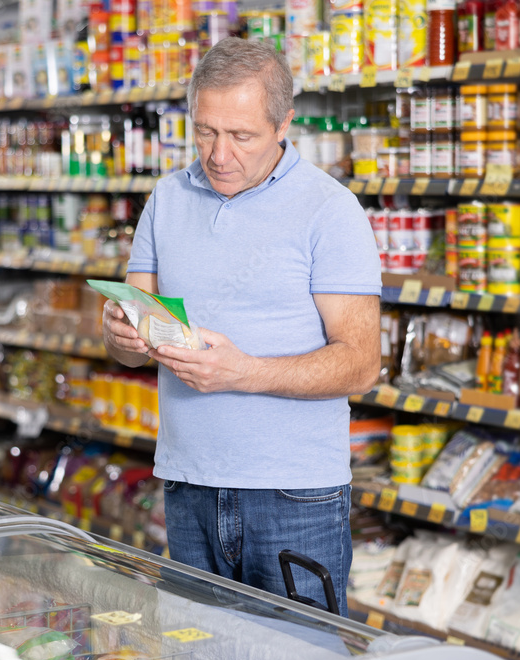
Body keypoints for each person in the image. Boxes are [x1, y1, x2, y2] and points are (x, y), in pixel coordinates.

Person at [102, 38, 381, 616]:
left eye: (241, 136)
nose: (219, 154)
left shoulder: (330, 211)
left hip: (294, 494)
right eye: (205, 131)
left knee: (299, 658)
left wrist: (244, 372)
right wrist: (122, 333)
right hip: (187, 484)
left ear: (284, 124)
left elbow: (360, 362)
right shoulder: (167, 198)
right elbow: (130, 344)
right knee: (194, 651)